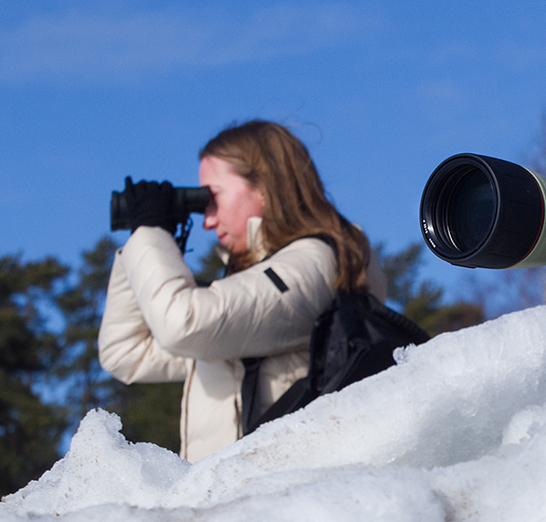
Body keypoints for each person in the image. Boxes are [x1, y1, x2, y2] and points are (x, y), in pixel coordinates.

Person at [99, 120, 387, 462]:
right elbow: (126, 351)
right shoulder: (254, 283)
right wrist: (144, 244)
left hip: (281, 499)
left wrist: (150, 232)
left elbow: (183, 324)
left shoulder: (318, 261)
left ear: (264, 186)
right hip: (235, 502)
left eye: (212, 197)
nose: (206, 220)